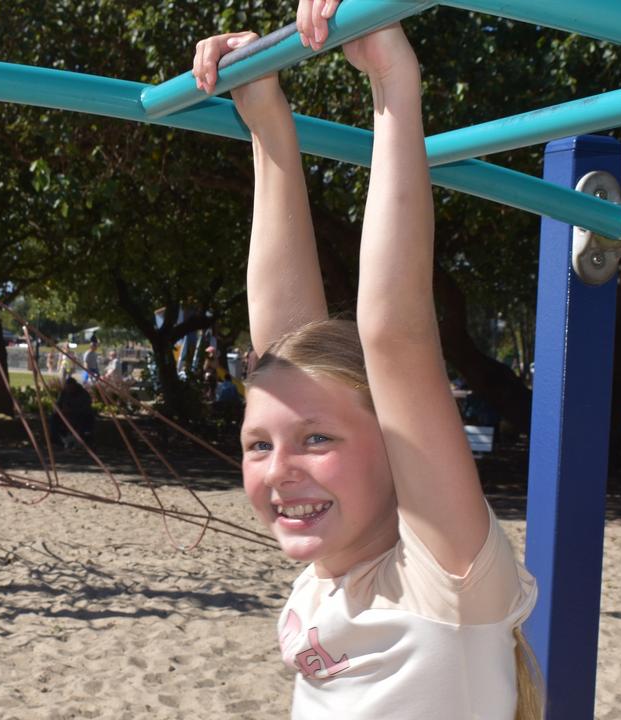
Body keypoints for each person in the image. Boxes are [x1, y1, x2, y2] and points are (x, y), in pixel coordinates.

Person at [194, 17, 539, 720]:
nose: (278, 468)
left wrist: (391, 82)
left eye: (316, 440)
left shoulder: (446, 584)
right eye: (258, 445)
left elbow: (395, 335)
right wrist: (265, 119)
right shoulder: (331, 573)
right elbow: (287, 350)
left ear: (398, 443)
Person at [49, 377, 95, 450]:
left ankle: (81, 440)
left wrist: (71, 410)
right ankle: (57, 440)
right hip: (65, 414)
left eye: (70, 387)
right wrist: (57, 409)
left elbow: (86, 408)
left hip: (80, 415)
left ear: (74, 386)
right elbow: (58, 403)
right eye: (67, 387)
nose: (69, 389)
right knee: (53, 418)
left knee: (83, 419)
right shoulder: (64, 393)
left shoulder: (83, 394)